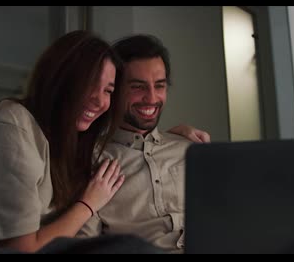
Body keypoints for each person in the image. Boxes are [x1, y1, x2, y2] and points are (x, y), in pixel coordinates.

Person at [0, 30, 208, 254]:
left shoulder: (71, 144)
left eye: (107, 90)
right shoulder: (12, 123)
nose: (98, 99)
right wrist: (88, 204)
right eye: (89, 83)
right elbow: (22, 247)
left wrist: (169, 137)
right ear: (60, 77)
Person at [77, 34, 203, 253]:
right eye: (138, 87)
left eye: (160, 86)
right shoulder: (92, 161)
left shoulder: (190, 147)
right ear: (114, 90)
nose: (152, 98)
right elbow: (86, 245)